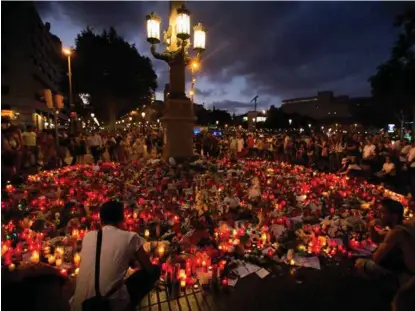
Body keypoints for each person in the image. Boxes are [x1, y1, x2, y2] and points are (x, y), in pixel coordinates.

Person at [71, 201, 160, 311]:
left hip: (79, 304)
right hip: (109, 304)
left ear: (101, 219)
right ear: (122, 218)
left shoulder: (88, 236)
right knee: (155, 270)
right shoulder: (130, 237)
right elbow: (149, 268)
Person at [355, 199, 415, 304]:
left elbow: (376, 258)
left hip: (408, 278)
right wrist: (371, 227)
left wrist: (382, 248)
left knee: (360, 263)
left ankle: (381, 295)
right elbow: (377, 238)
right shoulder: (404, 224)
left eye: (383, 212)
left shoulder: (397, 233)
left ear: (394, 216)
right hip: (407, 270)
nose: (379, 215)